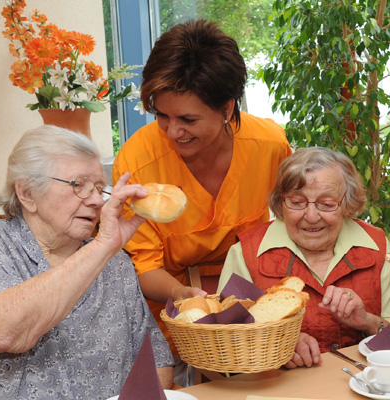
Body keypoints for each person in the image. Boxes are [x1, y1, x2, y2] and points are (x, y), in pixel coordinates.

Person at [0, 126, 172, 398]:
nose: (95, 201)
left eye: (99, 189)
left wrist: (105, 249)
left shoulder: (115, 263)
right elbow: (1, 333)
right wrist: (103, 246)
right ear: (27, 193)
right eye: (78, 185)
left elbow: (155, 362)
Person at [113, 19, 292, 373]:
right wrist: (183, 297)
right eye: (162, 116)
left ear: (227, 109)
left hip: (257, 325)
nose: (172, 131)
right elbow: (145, 268)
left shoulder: (270, 146)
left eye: (188, 120)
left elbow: (288, 234)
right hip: (172, 322)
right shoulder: (137, 161)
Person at [218, 147, 390, 368]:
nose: (310, 216)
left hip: (364, 383)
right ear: (281, 202)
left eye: (326, 204)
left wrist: (368, 321)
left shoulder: (375, 245)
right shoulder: (245, 253)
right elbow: (224, 341)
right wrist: (278, 343)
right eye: (297, 203)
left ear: (347, 203)